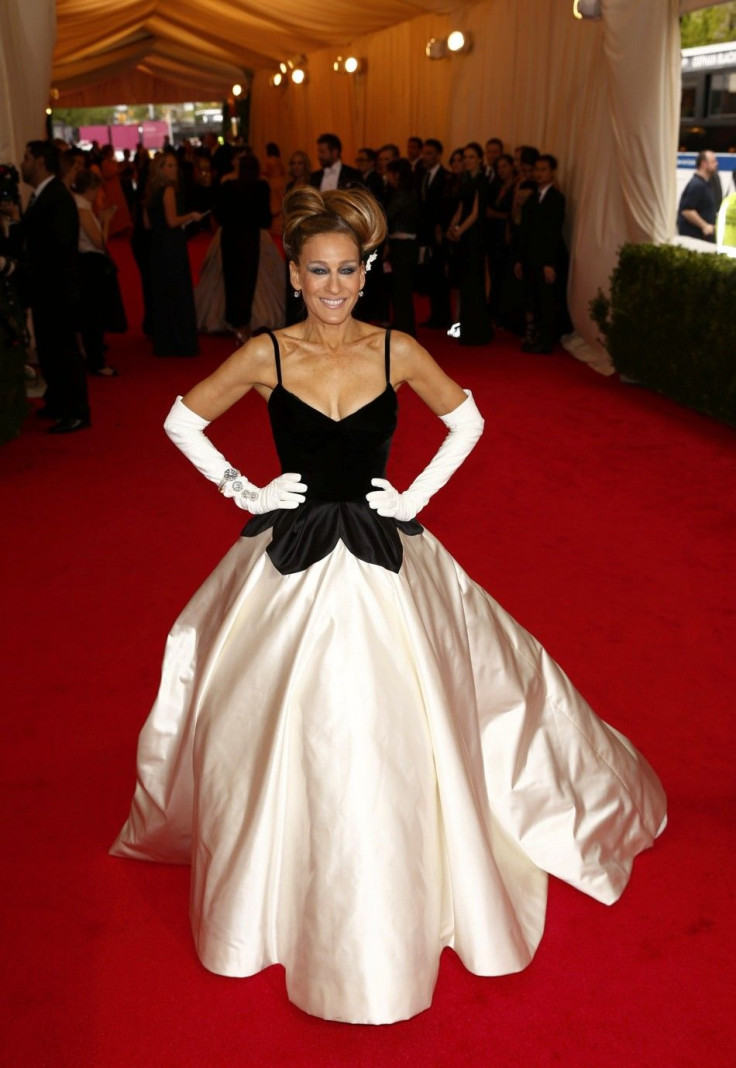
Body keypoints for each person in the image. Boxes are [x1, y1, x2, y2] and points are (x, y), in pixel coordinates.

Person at [111, 185, 667, 1027]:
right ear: (293, 274)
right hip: (290, 556)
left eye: (348, 271)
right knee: (270, 719)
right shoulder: (265, 355)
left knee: (404, 721)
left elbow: (468, 420)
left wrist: (415, 495)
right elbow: (182, 422)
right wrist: (245, 487)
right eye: (318, 272)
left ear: (366, 272)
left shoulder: (396, 349)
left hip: (385, 550)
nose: (334, 286)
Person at [11, 140, 91, 432]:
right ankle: (58, 402)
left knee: (63, 349)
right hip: (47, 287)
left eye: (26, 158)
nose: (22, 163)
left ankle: (77, 410)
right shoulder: (42, 195)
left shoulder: (56, 196)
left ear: (41, 162)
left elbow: (56, 245)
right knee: (49, 349)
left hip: (57, 287)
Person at [146, 153, 203, 357]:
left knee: (164, 292)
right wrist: (190, 216)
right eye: (168, 166)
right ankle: (180, 343)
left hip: (157, 245)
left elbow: (148, 223)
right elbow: (171, 221)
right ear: (160, 169)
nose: (173, 169)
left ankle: (166, 341)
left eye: (174, 165)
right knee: (177, 290)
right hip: (172, 245)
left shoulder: (150, 191)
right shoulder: (168, 190)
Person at [514, 153, 569, 354]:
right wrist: (519, 259)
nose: (538, 173)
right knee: (533, 298)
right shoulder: (532, 198)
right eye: (536, 169)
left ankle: (546, 341)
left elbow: (553, 231)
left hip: (546, 258)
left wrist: (549, 263)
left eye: (543, 169)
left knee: (547, 300)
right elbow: (524, 230)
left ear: (552, 172)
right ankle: (536, 336)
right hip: (530, 257)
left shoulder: (557, 198)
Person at [73, 168, 121, 376]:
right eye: (98, 189)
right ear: (91, 189)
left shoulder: (81, 206)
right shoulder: (82, 210)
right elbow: (99, 242)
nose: (100, 193)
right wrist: (108, 219)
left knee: (90, 314)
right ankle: (96, 361)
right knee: (94, 315)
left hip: (87, 264)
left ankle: (91, 355)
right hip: (91, 266)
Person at [447, 142, 493, 345]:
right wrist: (452, 226)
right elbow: (461, 208)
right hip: (463, 236)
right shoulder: (465, 180)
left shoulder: (482, 181)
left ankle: (478, 331)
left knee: (474, 281)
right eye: (465, 157)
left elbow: (476, 212)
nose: (467, 160)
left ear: (480, 159)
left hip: (475, 236)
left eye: (471, 157)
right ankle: (466, 328)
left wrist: (460, 229)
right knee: (464, 282)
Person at [385, 158, 421, 336]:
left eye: (389, 173)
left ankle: (406, 329)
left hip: (404, 246)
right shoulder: (402, 192)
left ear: (397, 174)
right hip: (402, 245)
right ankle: (402, 326)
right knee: (399, 289)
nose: (386, 177)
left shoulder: (403, 194)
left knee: (402, 290)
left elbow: (387, 215)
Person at [418, 138, 451, 329]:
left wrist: (440, 227)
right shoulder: (422, 174)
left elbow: (444, 205)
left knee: (440, 275)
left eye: (430, 153)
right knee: (430, 275)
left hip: (439, 232)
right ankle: (435, 315)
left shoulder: (445, 176)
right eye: (425, 153)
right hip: (425, 232)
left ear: (438, 155)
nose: (425, 156)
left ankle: (444, 316)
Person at [677, 150, 718, 242]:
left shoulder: (705, 184)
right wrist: (705, 226)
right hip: (695, 238)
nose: (716, 164)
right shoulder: (697, 185)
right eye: (713, 161)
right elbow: (687, 211)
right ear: (704, 163)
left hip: (703, 238)